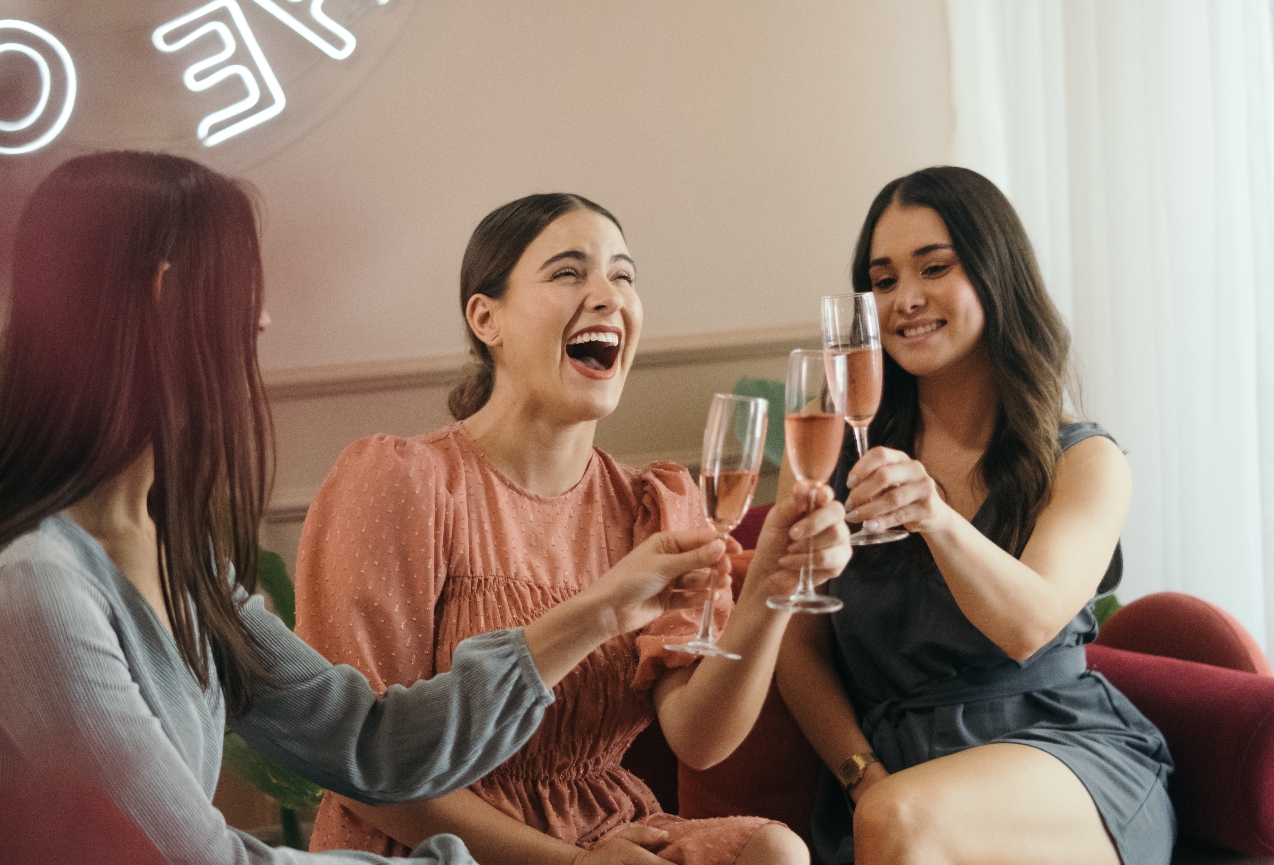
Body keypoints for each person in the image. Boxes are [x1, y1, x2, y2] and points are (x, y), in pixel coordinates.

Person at [0, 152, 730, 865]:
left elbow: (372, 745)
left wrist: (603, 608)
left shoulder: (180, 560)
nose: (260, 323)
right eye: (240, 288)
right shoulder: (38, 584)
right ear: (165, 295)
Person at [294, 193, 852, 865]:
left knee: (774, 852)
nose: (607, 295)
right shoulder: (402, 481)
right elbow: (363, 765)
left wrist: (766, 589)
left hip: (606, 833)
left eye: (623, 275)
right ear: (486, 317)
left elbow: (700, 737)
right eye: (567, 272)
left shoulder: (654, 502)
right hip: (436, 844)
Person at [775, 166, 1175, 865]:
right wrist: (861, 774)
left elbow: (1028, 623)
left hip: (1062, 754)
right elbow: (798, 643)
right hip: (895, 774)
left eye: (934, 267)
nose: (906, 298)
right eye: (884, 279)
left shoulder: (1085, 461)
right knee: (896, 816)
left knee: (901, 819)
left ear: (996, 273)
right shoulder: (834, 449)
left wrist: (933, 513)